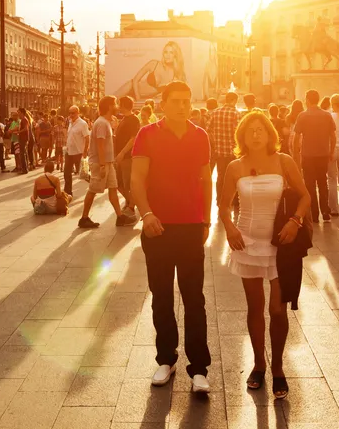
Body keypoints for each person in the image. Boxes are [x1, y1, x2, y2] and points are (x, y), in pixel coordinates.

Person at [219, 110, 311, 401]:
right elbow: (223, 205)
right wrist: (229, 228)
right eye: (250, 130)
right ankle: (259, 364)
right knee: (255, 307)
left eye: (261, 129)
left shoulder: (284, 161)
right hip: (246, 243)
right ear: (242, 136)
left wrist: (295, 221)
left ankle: (278, 367)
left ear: (270, 134)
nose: (256, 134)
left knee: (277, 309)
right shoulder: (235, 166)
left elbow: (305, 195)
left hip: (280, 243)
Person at [130, 80, 213, 394]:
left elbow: (205, 180)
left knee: (194, 298)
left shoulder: (200, 135)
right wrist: (146, 214)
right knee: (162, 296)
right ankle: (166, 358)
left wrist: (206, 220)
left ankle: (199, 369)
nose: (182, 106)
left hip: (190, 226)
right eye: (176, 101)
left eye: (186, 101)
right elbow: (137, 179)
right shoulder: (147, 135)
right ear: (162, 104)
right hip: (157, 227)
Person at [81, 96, 136, 229]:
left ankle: (120, 217)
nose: (117, 106)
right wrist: (101, 165)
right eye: (115, 104)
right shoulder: (101, 123)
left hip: (108, 162)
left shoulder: (105, 122)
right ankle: (84, 218)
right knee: (93, 190)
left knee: (113, 188)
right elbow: (100, 145)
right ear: (109, 106)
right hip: (100, 163)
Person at [293, 89, 335, 223]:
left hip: (308, 155)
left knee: (310, 185)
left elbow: (296, 137)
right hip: (323, 154)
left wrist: (295, 154)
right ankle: (325, 211)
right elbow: (333, 136)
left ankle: (314, 214)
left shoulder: (302, 116)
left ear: (307, 100)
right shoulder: (327, 115)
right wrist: (331, 151)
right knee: (323, 182)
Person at [116, 41, 187, 101]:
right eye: (166, 52)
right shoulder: (154, 64)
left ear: (175, 55)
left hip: (145, 99)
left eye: (171, 52)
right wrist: (138, 99)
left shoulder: (176, 76)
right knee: (111, 103)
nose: (167, 55)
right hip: (131, 89)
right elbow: (135, 80)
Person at [209, 92, 242, 204]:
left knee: (221, 176)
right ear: (234, 100)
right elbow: (239, 133)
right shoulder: (236, 113)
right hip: (233, 151)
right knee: (234, 177)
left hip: (219, 151)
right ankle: (232, 200)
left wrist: (215, 141)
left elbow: (208, 129)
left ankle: (219, 199)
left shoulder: (215, 112)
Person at [114, 95, 141, 218]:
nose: (118, 106)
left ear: (124, 105)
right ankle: (130, 203)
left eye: (119, 104)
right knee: (119, 184)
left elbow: (133, 138)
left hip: (127, 157)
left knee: (127, 184)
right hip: (120, 156)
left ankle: (131, 206)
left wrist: (122, 153)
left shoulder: (133, 119)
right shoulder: (124, 119)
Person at [63, 105, 90, 196]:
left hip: (79, 152)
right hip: (69, 152)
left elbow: (87, 138)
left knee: (83, 173)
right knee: (66, 173)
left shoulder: (83, 124)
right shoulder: (70, 122)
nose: (71, 115)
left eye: (73, 113)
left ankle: (94, 186)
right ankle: (67, 193)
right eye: (70, 113)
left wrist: (85, 152)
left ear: (78, 113)